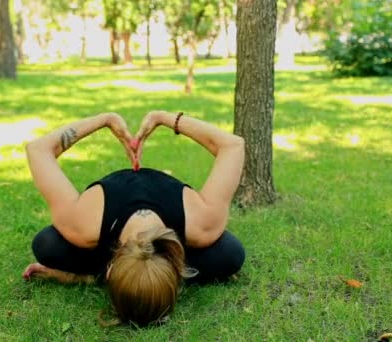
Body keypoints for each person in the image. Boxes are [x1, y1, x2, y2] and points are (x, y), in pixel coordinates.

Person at [22, 111, 246, 326]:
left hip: (104, 226)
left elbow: (39, 148)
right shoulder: (201, 222)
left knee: (48, 244)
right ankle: (139, 279)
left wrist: (105, 120)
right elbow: (232, 145)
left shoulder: (81, 223)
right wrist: (165, 119)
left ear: (108, 272)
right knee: (229, 254)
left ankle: (125, 278)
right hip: (120, 225)